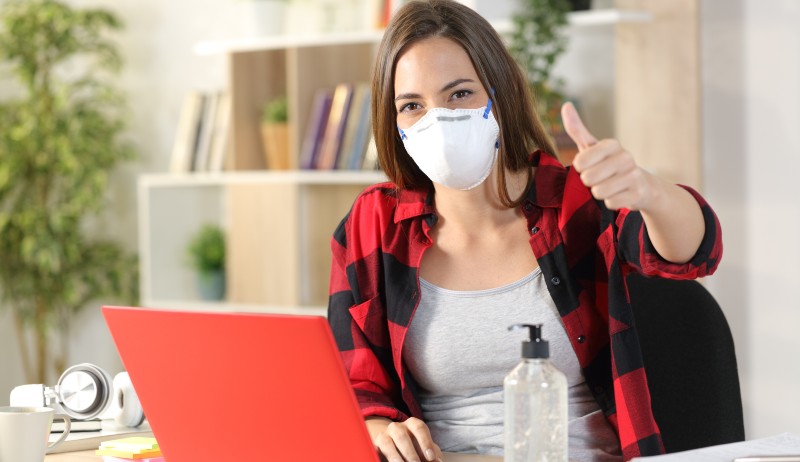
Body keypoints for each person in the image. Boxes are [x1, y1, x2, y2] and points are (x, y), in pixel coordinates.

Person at [327, 1, 722, 461]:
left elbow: (695, 253)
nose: (438, 119)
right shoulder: (372, 224)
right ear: (393, 123)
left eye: (459, 94)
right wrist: (374, 424)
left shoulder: (576, 201)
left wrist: (649, 193)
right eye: (412, 105)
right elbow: (351, 378)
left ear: (500, 94)